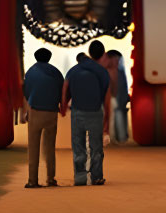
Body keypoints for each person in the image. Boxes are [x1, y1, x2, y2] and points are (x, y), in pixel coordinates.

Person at [61, 39, 110, 186]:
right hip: (95, 112)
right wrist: (106, 121)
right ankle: (97, 177)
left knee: (78, 146)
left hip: (77, 113)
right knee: (96, 147)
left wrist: (63, 106)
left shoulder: (73, 70)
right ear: (102, 55)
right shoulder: (102, 72)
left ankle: (80, 178)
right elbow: (106, 99)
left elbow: (65, 88)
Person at [22, 47, 64, 188]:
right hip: (51, 112)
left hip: (36, 112)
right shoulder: (56, 72)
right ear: (49, 57)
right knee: (50, 147)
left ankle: (32, 180)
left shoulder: (31, 72)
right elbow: (62, 90)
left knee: (33, 147)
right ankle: (50, 179)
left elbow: (26, 92)